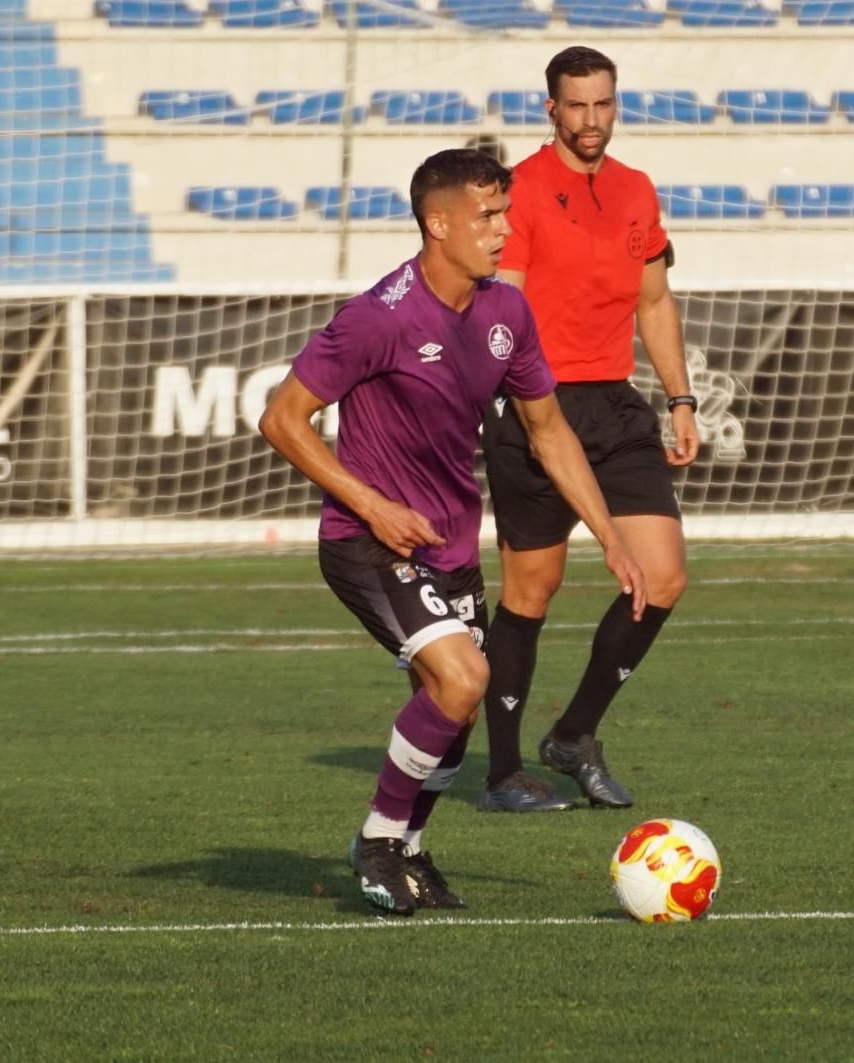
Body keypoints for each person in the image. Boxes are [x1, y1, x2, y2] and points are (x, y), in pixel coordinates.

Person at [258, 148, 645, 916]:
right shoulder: (379, 317)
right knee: (465, 679)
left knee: (452, 719)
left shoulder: (506, 313)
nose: (504, 231)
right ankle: (376, 842)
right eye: (487, 217)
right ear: (438, 225)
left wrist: (607, 532)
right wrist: (370, 503)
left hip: (451, 547)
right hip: (368, 541)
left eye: (506, 213)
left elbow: (548, 430)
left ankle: (408, 851)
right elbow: (282, 418)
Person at [477, 45, 700, 814]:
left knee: (663, 575)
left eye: (603, 103)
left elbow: (655, 301)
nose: (592, 119)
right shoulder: (522, 192)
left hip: (613, 403)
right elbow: (501, 304)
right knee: (530, 592)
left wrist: (680, 398)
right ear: (551, 109)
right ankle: (504, 772)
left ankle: (574, 734)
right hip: (536, 406)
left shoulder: (637, 190)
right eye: (576, 105)